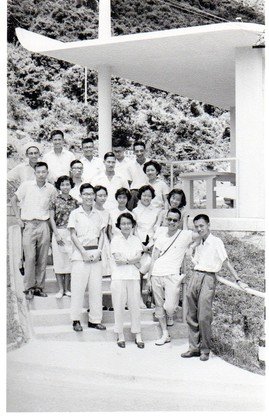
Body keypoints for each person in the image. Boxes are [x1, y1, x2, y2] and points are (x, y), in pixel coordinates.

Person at [181, 214, 248, 361]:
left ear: (208, 225)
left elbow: (226, 262)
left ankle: (205, 349)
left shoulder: (216, 242)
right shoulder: (199, 243)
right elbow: (196, 261)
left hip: (208, 278)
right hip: (195, 276)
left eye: (201, 226)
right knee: (191, 314)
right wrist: (190, 251)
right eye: (196, 226)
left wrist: (238, 279)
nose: (199, 229)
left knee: (204, 315)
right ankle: (193, 348)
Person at [146, 208, 198, 345]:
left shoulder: (185, 234)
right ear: (166, 219)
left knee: (169, 307)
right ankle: (165, 333)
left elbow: (202, 235)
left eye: (175, 220)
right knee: (158, 305)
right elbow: (154, 257)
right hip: (156, 273)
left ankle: (169, 316)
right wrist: (149, 278)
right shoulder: (161, 235)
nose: (172, 222)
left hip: (172, 275)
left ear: (179, 221)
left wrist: (191, 247)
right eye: (169, 219)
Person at [10, 162, 58, 300]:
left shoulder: (51, 189)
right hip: (29, 225)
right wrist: (18, 218)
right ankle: (29, 288)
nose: (41, 174)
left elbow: (53, 208)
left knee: (42, 257)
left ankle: (39, 287)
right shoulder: (26, 186)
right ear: (35, 173)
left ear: (47, 173)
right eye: (38, 172)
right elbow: (13, 199)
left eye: (44, 172)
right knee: (30, 257)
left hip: (44, 224)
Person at [67, 183, 106, 332]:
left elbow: (102, 234)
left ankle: (95, 320)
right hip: (80, 255)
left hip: (95, 255)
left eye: (91, 194)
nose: (89, 197)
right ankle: (76, 319)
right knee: (78, 288)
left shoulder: (98, 214)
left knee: (96, 288)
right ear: (81, 196)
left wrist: (99, 251)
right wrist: (83, 252)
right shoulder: (75, 214)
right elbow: (72, 234)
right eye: (86, 194)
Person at [110, 213, 144, 348]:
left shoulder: (136, 240)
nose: (126, 226)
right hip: (118, 277)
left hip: (133, 277)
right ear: (119, 225)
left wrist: (128, 260)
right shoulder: (115, 240)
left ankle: (138, 334)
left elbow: (138, 258)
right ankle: (120, 334)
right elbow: (118, 261)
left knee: (135, 306)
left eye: (128, 223)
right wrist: (132, 260)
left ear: (132, 225)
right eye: (123, 223)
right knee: (118, 306)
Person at [49, 175, 78, 299]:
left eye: (67, 184)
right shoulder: (54, 200)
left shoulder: (75, 202)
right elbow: (51, 218)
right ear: (59, 186)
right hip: (59, 232)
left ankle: (67, 289)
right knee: (59, 261)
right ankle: (60, 289)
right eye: (62, 184)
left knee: (69, 262)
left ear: (71, 185)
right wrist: (56, 234)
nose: (65, 187)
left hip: (71, 233)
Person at [132, 185, 160, 308]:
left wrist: (151, 244)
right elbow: (134, 229)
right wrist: (140, 245)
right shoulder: (135, 211)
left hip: (152, 243)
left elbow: (157, 229)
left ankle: (151, 298)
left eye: (149, 195)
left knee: (153, 271)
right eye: (144, 195)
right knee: (138, 271)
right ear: (140, 196)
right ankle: (138, 299)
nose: (146, 198)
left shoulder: (156, 211)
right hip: (139, 243)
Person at [94, 185, 111, 277]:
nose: (103, 198)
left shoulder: (107, 212)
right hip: (94, 239)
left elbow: (108, 231)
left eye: (104, 195)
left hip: (104, 240)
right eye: (100, 195)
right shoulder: (91, 211)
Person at [127, 141, 149, 210]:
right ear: (134, 152)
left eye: (141, 151)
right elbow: (129, 182)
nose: (139, 153)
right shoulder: (130, 164)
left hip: (147, 192)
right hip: (134, 193)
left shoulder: (150, 163)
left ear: (145, 151)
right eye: (137, 151)